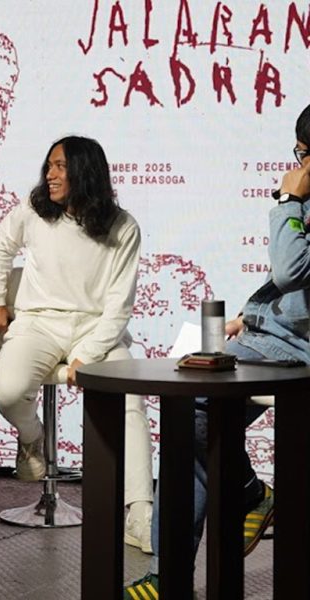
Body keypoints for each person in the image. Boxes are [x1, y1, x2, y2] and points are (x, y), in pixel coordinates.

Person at [124, 105, 310, 598]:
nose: (301, 166)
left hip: (297, 353)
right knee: (187, 421)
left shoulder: (299, 199)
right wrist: (249, 317)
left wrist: (289, 200)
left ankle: (245, 497)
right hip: (272, 338)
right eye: (301, 154)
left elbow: (292, 271)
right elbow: (288, 287)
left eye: (309, 156)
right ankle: (171, 575)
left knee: (197, 416)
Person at [0, 136, 155, 552]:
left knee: (131, 397)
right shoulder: (33, 209)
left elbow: (120, 305)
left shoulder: (122, 225)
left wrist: (88, 355)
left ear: (85, 171)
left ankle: (141, 514)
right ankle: (33, 437)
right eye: (49, 165)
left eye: (60, 166)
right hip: (39, 323)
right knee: (8, 392)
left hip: (98, 330)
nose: (50, 174)